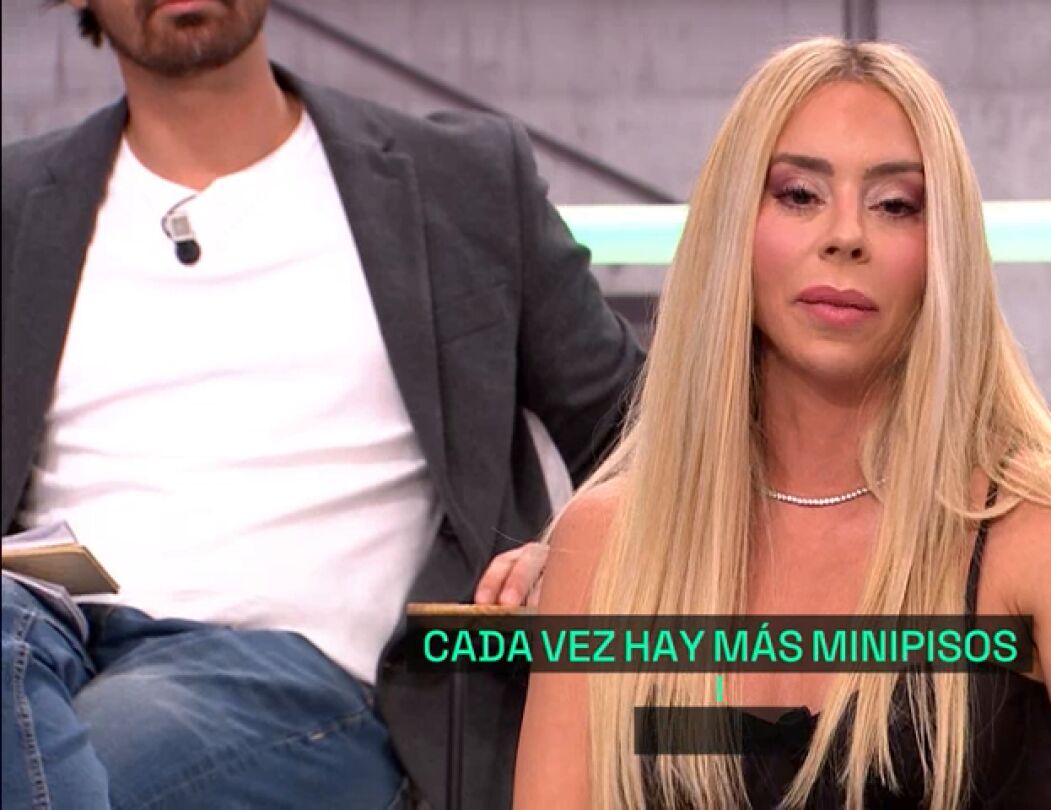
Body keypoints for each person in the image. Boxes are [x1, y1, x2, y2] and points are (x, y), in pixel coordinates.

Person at [514, 37, 1051, 809]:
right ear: (732, 228)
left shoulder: (1046, 533)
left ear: (941, 250)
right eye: (799, 195)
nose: (845, 235)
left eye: (894, 205)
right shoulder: (607, 546)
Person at [1, 1, 642, 807]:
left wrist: (579, 550)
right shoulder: (17, 207)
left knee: (98, 747)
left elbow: (649, 427)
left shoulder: (462, 182)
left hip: (321, 689)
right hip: (46, 635)